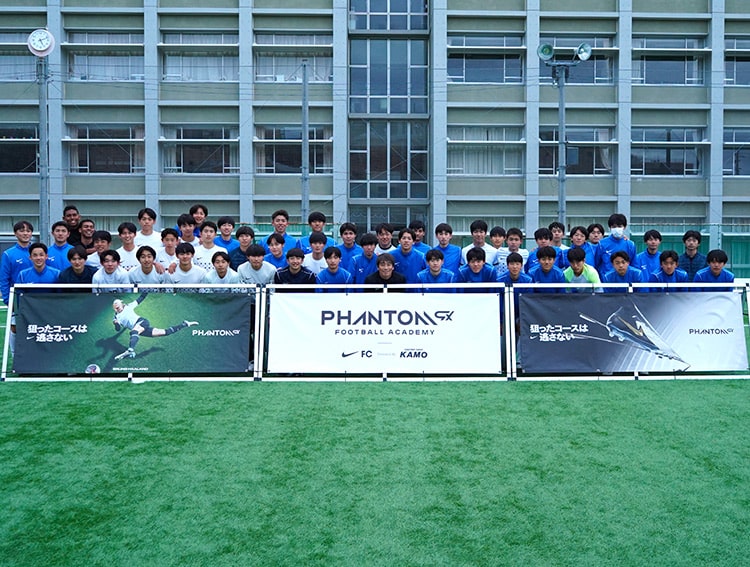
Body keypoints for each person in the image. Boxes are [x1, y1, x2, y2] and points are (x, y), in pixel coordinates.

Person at [111, 292, 198, 360]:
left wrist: (147, 289)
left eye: (118, 307)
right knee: (165, 332)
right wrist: (116, 324)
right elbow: (118, 329)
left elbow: (141, 297)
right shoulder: (116, 317)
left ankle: (130, 350)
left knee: (133, 332)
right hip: (140, 330)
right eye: (116, 308)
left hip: (142, 322)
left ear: (122, 304)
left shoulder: (128, 306)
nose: (117, 309)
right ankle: (185, 324)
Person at [0, 220, 34, 356]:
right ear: (15, 233)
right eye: (22, 230)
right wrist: (8, 300)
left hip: (36, 299)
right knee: (15, 328)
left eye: (28, 231)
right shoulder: (9, 254)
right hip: (17, 299)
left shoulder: (37, 251)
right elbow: (4, 279)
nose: (25, 233)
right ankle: (16, 357)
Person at [597, 213, 637, 277]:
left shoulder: (630, 245)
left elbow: (634, 265)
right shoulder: (601, 244)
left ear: (624, 227)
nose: (617, 229)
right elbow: (597, 264)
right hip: (606, 280)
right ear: (610, 227)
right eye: (614, 227)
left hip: (625, 280)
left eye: (619, 226)